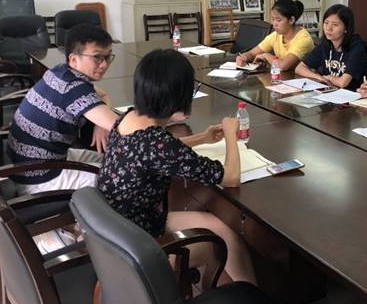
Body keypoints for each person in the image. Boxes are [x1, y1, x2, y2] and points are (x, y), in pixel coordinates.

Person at [97, 49, 257, 285]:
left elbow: (154, 152)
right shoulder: (158, 144)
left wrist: (202, 138)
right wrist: (232, 135)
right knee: (224, 239)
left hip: (120, 230)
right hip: (140, 249)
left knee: (216, 224)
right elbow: (231, 177)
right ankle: (249, 293)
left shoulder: (127, 118)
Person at [8, 23, 119, 194]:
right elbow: (125, 128)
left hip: (31, 164)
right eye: (97, 57)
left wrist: (100, 124)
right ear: (74, 59)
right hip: (41, 178)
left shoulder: (61, 72)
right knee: (124, 177)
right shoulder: (74, 89)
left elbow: (102, 95)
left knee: (112, 160)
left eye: (108, 56)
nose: (104, 64)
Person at [295, 4, 367, 90]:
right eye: (326, 23)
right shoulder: (326, 44)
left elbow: (343, 82)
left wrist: (328, 77)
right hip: (329, 91)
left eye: (335, 25)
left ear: (346, 28)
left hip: (352, 94)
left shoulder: (357, 47)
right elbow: (299, 68)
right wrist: (319, 77)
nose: (328, 28)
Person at [236, 0, 314, 72]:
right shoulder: (276, 35)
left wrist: (265, 55)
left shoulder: (303, 39)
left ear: (291, 20)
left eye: (278, 20)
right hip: (283, 77)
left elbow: (283, 66)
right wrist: (244, 57)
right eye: (273, 19)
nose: (274, 24)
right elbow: (252, 53)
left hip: (301, 79)